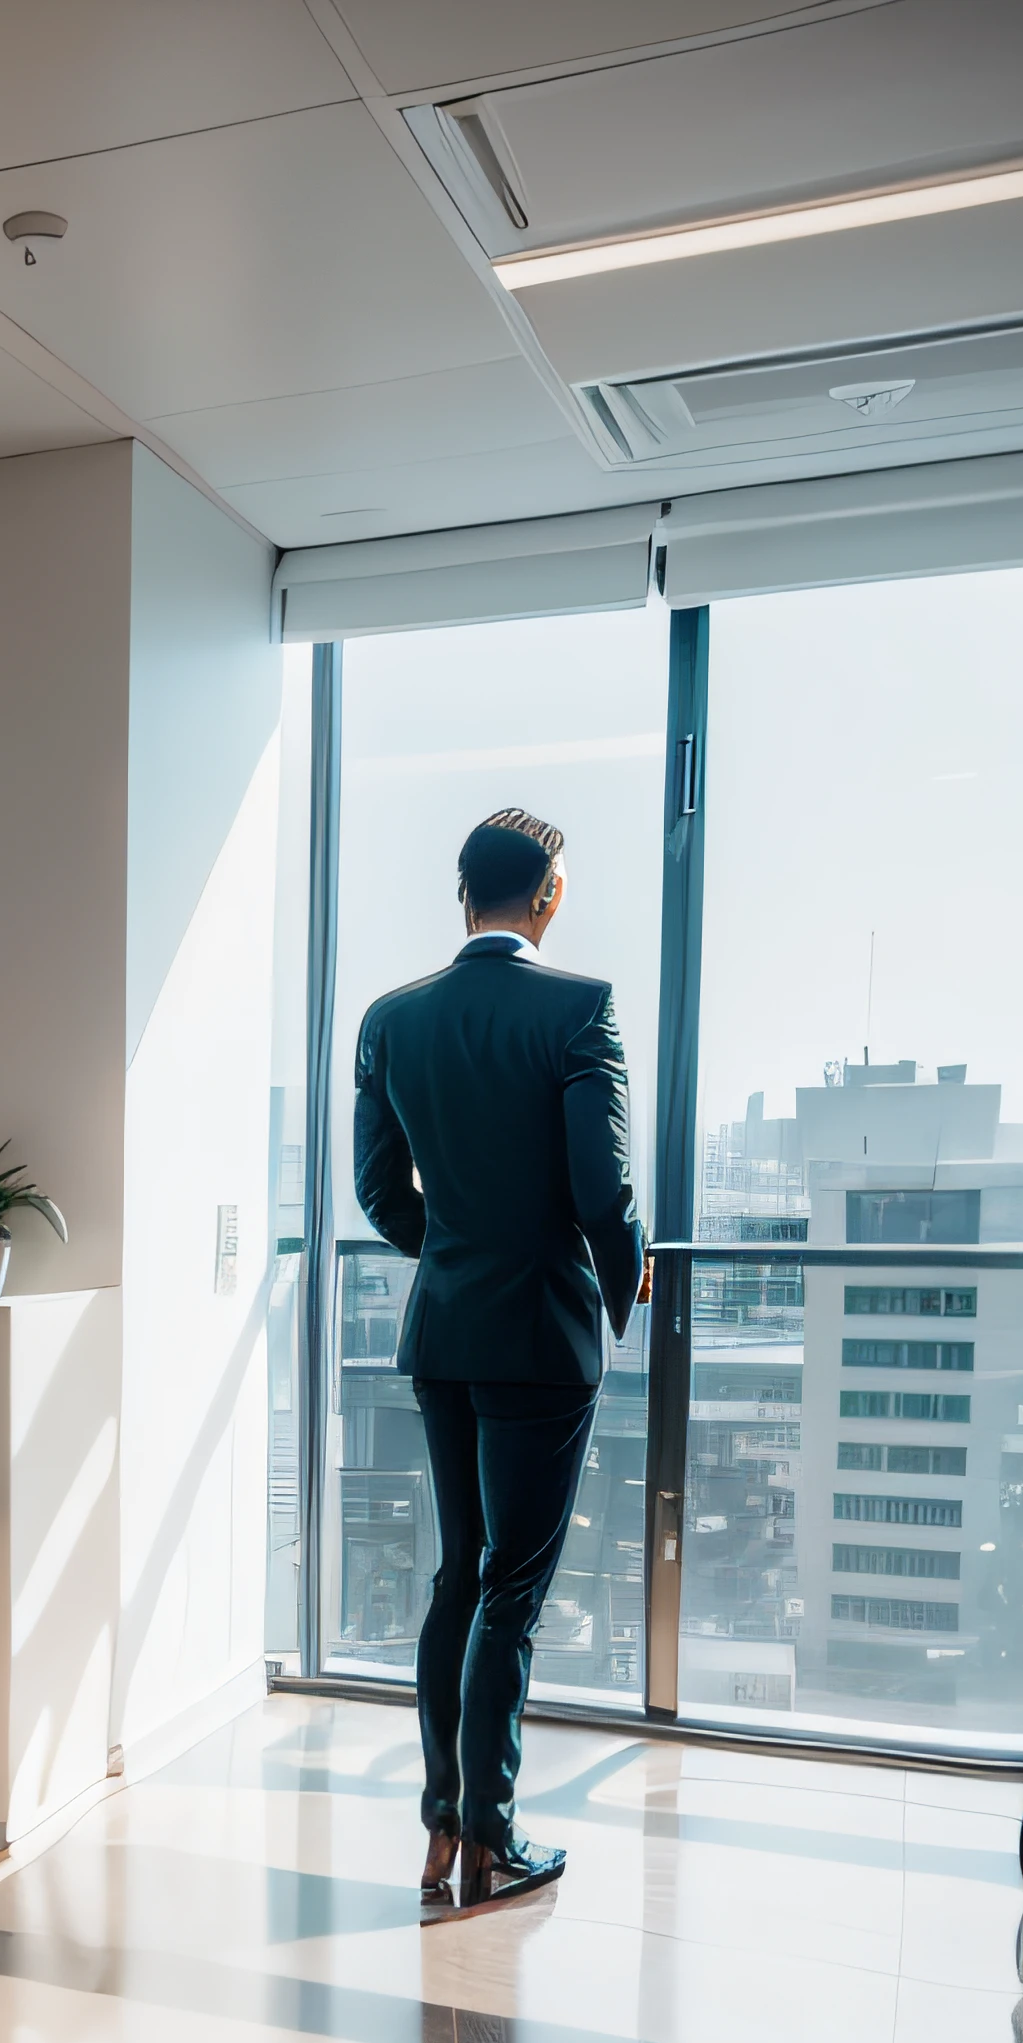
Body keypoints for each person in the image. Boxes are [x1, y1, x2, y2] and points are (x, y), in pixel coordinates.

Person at [349, 809, 648, 1914]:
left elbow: (382, 1194)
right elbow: (601, 1189)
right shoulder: (579, 1010)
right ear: (550, 895)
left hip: (444, 1333)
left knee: (458, 1575)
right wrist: (625, 1284)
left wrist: (464, 1252)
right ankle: (491, 1835)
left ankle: (441, 1827)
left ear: (461, 893)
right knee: (511, 1591)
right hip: (537, 1338)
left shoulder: (391, 1018)